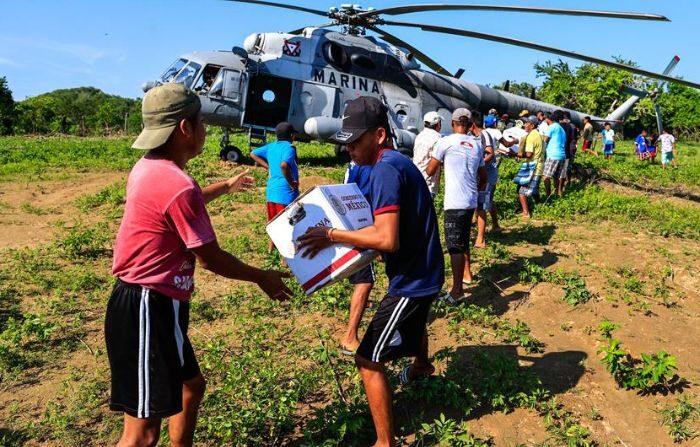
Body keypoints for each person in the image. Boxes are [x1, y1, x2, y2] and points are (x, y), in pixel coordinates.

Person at [106, 83, 292, 447]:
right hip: (148, 305)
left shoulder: (149, 168)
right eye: (201, 122)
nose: (204, 129)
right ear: (185, 129)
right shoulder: (176, 184)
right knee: (142, 434)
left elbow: (178, 203)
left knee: (192, 386)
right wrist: (261, 277)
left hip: (155, 304)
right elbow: (209, 258)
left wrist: (224, 185)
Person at [297, 96, 444, 447]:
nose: (348, 147)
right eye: (345, 140)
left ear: (379, 135)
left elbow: (386, 238)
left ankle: (384, 442)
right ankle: (422, 367)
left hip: (414, 281)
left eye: (355, 139)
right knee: (414, 322)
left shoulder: (385, 169)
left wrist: (330, 235)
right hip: (421, 272)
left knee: (367, 360)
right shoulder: (394, 163)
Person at [427, 108, 486, 302]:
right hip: (470, 199)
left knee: (454, 247)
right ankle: (466, 275)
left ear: (452, 124)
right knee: (462, 239)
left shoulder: (445, 142)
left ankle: (457, 290)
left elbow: (430, 170)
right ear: (470, 125)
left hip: (455, 201)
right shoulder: (477, 145)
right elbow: (483, 176)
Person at [340, 160, 375, 355]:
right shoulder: (369, 166)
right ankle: (350, 337)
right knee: (364, 282)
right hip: (362, 227)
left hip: (354, 224)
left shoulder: (354, 165)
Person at [250, 122, 300, 252]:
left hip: (271, 191)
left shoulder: (271, 147)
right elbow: (284, 165)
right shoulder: (289, 148)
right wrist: (292, 183)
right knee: (288, 224)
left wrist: (268, 167)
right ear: (292, 135)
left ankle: (270, 249)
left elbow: (253, 153)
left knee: (273, 222)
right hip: (286, 193)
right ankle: (285, 256)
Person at [513, 116, 545, 219]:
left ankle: (526, 213)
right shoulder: (538, 135)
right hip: (538, 165)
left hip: (532, 166)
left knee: (522, 191)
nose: (524, 125)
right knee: (532, 189)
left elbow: (529, 154)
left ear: (532, 125)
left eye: (526, 123)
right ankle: (539, 206)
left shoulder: (531, 136)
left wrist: (516, 154)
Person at [412, 111, 444, 200]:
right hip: (428, 184)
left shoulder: (419, 136)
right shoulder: (438, 138)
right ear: (438, 124)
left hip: (415, 180)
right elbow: (440, 160)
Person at [542, 110, 567, 197]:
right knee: (556, 177)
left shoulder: (551, 127)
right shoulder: (561, 129)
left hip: (553, 155)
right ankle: (556, 194)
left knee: (545, 176)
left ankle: (548, 195)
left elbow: (544, 141)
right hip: (562, 155)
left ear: (548, 119)